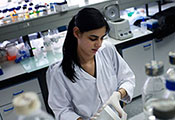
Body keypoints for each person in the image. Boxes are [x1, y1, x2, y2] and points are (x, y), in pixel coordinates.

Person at [46, 7, 135, 120]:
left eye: (102, 38)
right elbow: (61, 110)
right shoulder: (58, 72)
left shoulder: (107, 50)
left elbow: (127, 78)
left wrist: (119, 94)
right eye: (93, 39)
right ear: (77, 33)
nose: (99, 44)